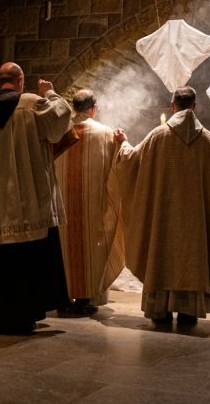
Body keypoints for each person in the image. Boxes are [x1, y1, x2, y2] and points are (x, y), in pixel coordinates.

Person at [113, 86, 210, 326]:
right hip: (196, 224)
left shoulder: (158, 136)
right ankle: (189, 312)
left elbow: (131, 162)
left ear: (172, 106)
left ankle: (161, 310)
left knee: (162, 253)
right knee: (192, 255)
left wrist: (123, 143)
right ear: (195, 107)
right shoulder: (207, 140)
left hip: (163, 220)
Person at [0, 62, 73, 334]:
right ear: (20, 80)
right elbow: (61, 120)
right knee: (27, 259)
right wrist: (50, 92)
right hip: (28, 198)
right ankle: (23, 315)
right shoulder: (31, 104)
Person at [53, 89, 125, 315]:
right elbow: (118, 171)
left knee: (64, 249)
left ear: (74, 107)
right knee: (89, 250)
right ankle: (84, 298)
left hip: (62, 207)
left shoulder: (59, 134)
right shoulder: (106, 134)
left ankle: (62, 298)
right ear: (93, 108)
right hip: (92, 209)